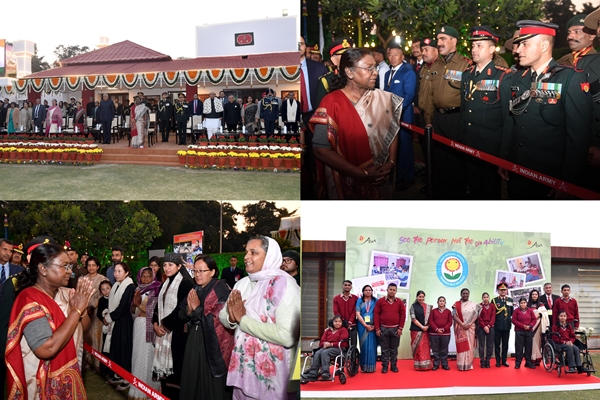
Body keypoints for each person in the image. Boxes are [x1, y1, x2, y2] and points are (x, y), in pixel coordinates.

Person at [498, 20, 592, 199]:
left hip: (549, 176)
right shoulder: (518, 78)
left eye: (525, 44)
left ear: (543, 46)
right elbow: (511, 121)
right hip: (517, 169)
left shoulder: (570, 79)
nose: (517, 50)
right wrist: (504, 159)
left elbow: (578, 140)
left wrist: (566, 182)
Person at [309, 48, 402, 200]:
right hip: (345, 183)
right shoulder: (332, 103)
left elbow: (393, 130)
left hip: (380, 176)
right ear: (349, 72)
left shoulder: (383, 99)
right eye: (368, 68)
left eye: (375, 67)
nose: (375, 72)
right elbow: (321, 150)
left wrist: (391, 162)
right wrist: (363, 174)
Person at [5, 243, 94, 399]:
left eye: (70, 266)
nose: (70, 272)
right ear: (43, 268)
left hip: (69, 373)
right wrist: (76, 311)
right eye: (64, 266)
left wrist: (82, 308)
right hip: (40, 384)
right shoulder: (29, 299)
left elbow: (84, 328)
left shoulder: (66, 293)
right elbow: (46, 349)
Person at [219, 236, 300, 400]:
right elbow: (223, 315)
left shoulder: (286, 286)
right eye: (246, 252)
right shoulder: (242, 284)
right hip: (243, 374)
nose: (246, 257)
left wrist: (243, 319)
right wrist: (232, 319)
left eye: (253, 252)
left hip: (275, 379)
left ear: (269, 256)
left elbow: (287, 335)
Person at [422, 25, 472, 199]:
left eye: (443, 39)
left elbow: (469, 98)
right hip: (437, 118)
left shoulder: (465, 65)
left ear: (454, 41)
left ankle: (457, 197)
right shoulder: (436, 65)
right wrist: (428, 120)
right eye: (439, 39)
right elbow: (429, 95)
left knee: (456, 163)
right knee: (440, 161)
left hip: (455, 119)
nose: (439, 42)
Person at [460, 26, 510, 199]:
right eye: (473, 46)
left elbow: (507, 118)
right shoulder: (467, 75)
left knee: (490, 190)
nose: (474, 50)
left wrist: (504, 154)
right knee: (473, 185)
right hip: (469, 139)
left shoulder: (503, 76)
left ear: (492, 49)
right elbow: (464, 107)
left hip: (490, 145)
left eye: (479, 45)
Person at [179, 255, 234, 399]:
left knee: (210, 383)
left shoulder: (220, 289)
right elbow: (181, 313)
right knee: (192, 379)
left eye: (202, 271)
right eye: (195, 271)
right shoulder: (195, 288)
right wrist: (189, 311)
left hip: (212, 342)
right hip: (194, 339)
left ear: (213, 272)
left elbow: (217, 319)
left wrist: (196, 309)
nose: (197, 274)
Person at [152, 253, 194, 399]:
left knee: (177, 368)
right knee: (166, 376)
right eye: (164, 265)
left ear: (179, 266)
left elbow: (181, 309)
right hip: (163, 331)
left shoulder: (185, 283)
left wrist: (164, 325)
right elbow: (158, 306)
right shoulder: (165, 283)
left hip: (178, 333)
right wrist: (155, 323)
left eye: (170, 265)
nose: (167, 268)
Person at [384, 42, 417, 191]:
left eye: (395, 55)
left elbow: (408, 95)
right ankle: (398, 175)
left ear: (402, 57)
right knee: (393, 148)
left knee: (405, 147)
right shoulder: (386, 73)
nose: (392, 58)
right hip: (390, 116)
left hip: (404, 117)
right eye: (390, 55)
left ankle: (408, 177)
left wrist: (395, 111)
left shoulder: (408, 72)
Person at [128, 267, 161, 399]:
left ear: (153, 276)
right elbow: (132, 309)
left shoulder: (156, 288)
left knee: (148, 356)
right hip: (138, 325)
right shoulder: (138, 290)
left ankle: (150, 388)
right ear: (139, 277)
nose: (146, 279)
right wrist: (135, 305)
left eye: (149, 276)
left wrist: (138, 305)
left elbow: (152, 311)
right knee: (137, 356)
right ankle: (138, 390)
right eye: (144, 276)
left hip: (149, 327)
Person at [103, 261, 135, 391]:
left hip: (124, 321)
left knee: (124, 349)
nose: (116, 274)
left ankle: (126, 378)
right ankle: (117, 375)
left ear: (126, 272)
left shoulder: (130, 286)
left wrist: (109, 318)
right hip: (116, 321)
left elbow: (123, 307)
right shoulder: (116, 285)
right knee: (116, 348)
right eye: (115, 271)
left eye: (119, 271)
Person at [301, 315, 349, 381]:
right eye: (335, 321)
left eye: (339, 322)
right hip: (327, 348)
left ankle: (325, 372)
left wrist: (331, 344)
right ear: (332, 322)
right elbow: (321, 342)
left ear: (342, 323)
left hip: (339, 348)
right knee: (317, 353)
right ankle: (313, 373)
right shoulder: (328, 331)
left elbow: (343, 343)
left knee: (325, 352)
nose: (337, 323)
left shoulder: (343, 330)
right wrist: (324, 343)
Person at [374, 283, 406, 373]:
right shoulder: (380, 301)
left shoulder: (399, 302)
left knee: (394, 349)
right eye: (390, 289)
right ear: (387, 290)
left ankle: (393, 365)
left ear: (396, 291)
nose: (392, 291)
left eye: (394, 290)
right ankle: (384, 366)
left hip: (395, 329)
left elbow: (402, 316)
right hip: (383, 328)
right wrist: (377, 328)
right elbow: (376, 315)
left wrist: (400, 328)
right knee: (384, 349)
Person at [82, 256, 106, 372]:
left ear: (97, 267)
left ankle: (98, 363)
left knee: (97, 337)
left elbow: (103, 295)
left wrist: (93, 307)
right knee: (86, 336)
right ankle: (86, 362)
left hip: (96, 311)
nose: (91, 267)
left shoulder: (102, 279)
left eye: (93, 265)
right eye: (89, 265)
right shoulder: (83, 279)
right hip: (84, 311)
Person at [452, 288, 480, 371]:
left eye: (466, 293)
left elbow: (476, 315)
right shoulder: (456, 304)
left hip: (470, 328)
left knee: (470, 346)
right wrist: (462, 324)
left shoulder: (473, 304)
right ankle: (461, 364)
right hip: (460, 328)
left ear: (469, 294)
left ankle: (468, 363)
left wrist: (469, 324)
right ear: (461, 294)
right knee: (461, 346)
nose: (465, 295)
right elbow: (454, 315)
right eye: (463, 293)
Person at [355, 285, 377, 373]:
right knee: (363, 346)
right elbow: (357, 313)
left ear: (372, 291)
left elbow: (379, 313)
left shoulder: (376, 301)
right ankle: (364, 367)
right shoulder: (359, 301)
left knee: (372, 346)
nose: (368, 291)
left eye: (369, 290)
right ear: (363, 291)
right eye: (366, 290)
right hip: (362, 326)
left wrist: (375, 325)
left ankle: (372, 367)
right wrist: (365, 325)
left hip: (373, 326)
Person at [409, 290, 432, 371]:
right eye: (420, 297)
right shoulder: (413, 306)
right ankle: (418, 365)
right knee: (418, 348)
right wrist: (422, 327)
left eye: (422, 297)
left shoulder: (428, 307)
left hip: (426, 331)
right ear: (416, 297)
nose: (421, 298)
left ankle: (426, 365)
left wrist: (427, 327)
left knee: (425, 347)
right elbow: (413, 318)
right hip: (416, 330)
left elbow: (430, 319)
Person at [511, 297, 537, 369]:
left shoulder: (530, 310)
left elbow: (534, 319)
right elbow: (513, 320)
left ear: (527, 303)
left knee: (528, 348)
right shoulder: (516, 311)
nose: (523, 304)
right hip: (519, 331)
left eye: (524, 303)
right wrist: (523, 326)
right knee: (519, 348)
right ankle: (518, 363)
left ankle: (528, 362)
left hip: (528, 331)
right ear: (519, 304)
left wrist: (530, 325)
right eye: (521, 303)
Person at [428, 296, 452, 370]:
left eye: (443, 301)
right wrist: (436, 329)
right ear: (437, 302)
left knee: (444, 349)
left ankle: (444, 364)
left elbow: (450, 322)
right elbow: (431, 321)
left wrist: (444, 329)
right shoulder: (433, 311)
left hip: (445, 334)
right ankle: (436, 364)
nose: (441, 302)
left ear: (445, 302)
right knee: (435, 350)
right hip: (434, 333)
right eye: (440, 301)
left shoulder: (448, 311)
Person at [492, 282, 513, 367]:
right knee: (497, 344)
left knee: (505, 344)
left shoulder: (510, 300)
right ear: (498, 291)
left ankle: (504, 360)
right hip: (497, 325)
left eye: (504, 290)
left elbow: (511, 312)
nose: (503, 291)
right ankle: (497, 361)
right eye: (501, 290)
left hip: (507, 325)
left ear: (507, 291)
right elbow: (493, 313)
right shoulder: (495, 300)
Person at [527, 289, 549, 365]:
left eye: (536, 294)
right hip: (529, 326)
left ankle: (537, 359)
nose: (534, 296)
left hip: (538, 326)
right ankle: (530, 359)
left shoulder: (541, 304)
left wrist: (539, 314)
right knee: (530, 343)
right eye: (533, 294)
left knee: (537, 343)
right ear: (530, 296)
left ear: (538, 296)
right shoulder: (527, 304)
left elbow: (545, 314)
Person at [333, 280, 358, 346]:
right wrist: (344, 322)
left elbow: (354, 311)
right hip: (341, 325)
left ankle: (352, 356)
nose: (347, 286)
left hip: (352, 325)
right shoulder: (336, 298)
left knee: (353, 344)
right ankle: (343, 356)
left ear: (351, 287)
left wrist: (349, 322)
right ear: (342, 286)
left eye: (349, 285)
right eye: (345, 285)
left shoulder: (355, 298)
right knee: (343, 343)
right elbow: (336, 312)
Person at [96, 280, 112, 380]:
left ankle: (113, 371)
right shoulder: (101, 300)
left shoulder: (115, 298)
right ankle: (104, 369)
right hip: (106, 327)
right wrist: (103, 319)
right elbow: (98, 313)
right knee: (105, 348)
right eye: (103, 289)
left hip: (114, 327)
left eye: (107, 288)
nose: (106, 291)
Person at [477, 292, 495, 368]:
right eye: (484, 297)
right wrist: (484, 326)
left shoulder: (492, 306)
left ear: (489, 298)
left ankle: (488, 360)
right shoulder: (479, 306)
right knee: (481, 345)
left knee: (490, 345)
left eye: (487, 297)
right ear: (482, 298)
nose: (486, 298)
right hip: (481, 328)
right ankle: (482, 361)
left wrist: (488, 326)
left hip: (490, 327)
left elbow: (493, 316)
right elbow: (479, 317)